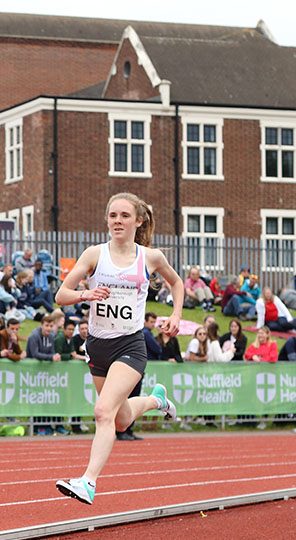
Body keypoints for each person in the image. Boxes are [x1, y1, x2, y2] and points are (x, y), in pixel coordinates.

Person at [54, 192, 183, 505]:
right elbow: (62, 295)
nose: (117, 221)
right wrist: (86, 295)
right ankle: (156, 399)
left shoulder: (150, 258)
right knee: (121, 419)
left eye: (124, 216)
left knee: (102, 412)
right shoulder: (94, 254)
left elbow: (177, 284)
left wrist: (176, 315)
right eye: (113, 216)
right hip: (97, 346)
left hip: (130, 345)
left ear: (138, 221)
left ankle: (88, 481)